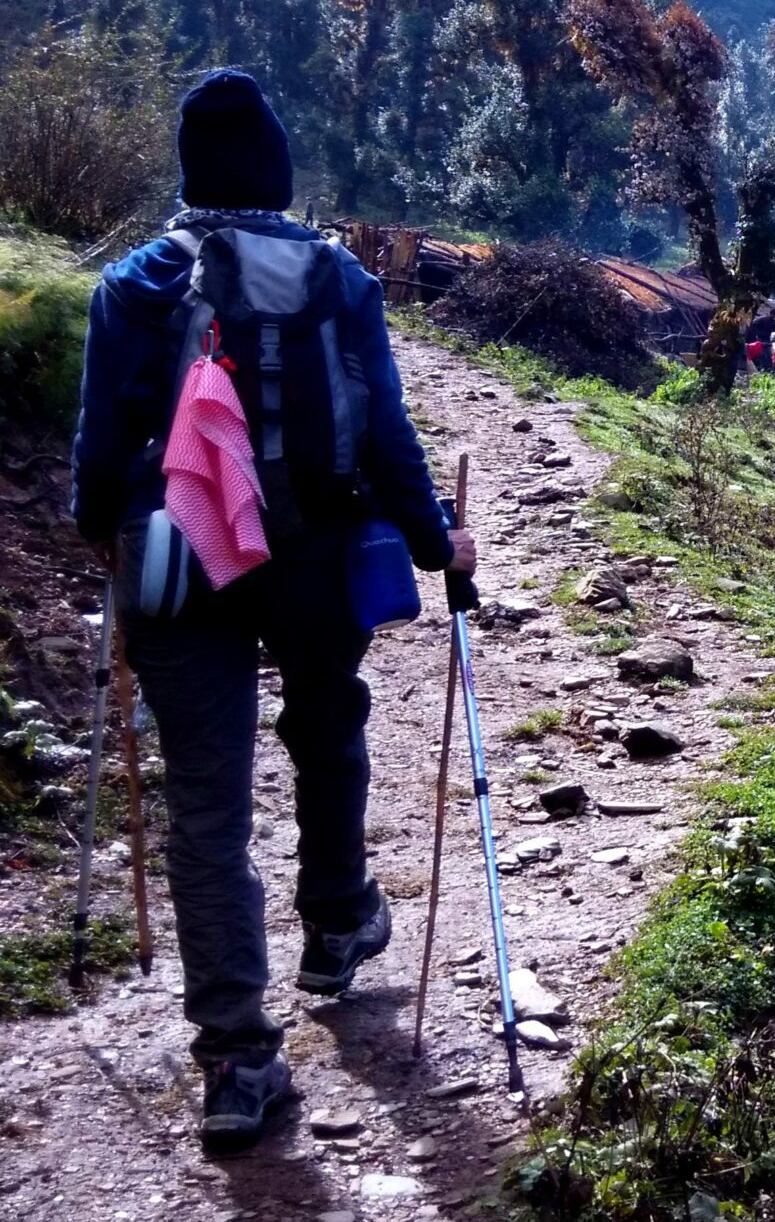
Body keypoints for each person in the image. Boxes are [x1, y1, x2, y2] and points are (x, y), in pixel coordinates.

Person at [71, 70, 474, 1156]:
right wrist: (440, 543)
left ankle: (239, 1060)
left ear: (192, 172)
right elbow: (385, 431)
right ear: (278, 171)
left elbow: (100, 459)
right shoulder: (338, 279)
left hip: (175, 566)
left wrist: (100, 529)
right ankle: (337, 925)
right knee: (327, 724)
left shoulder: (136, 284)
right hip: (314, 554)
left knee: (207, 809)